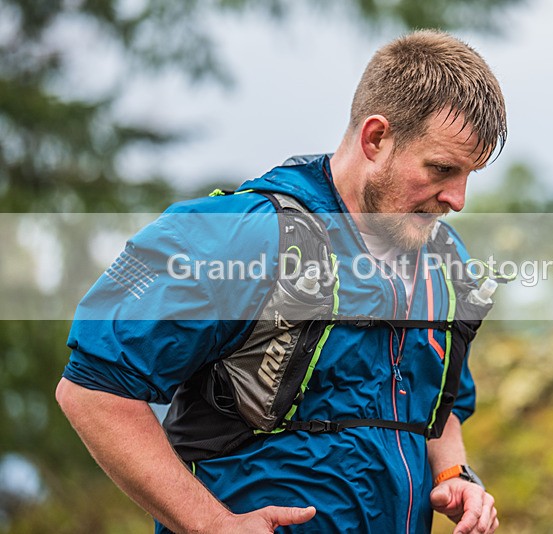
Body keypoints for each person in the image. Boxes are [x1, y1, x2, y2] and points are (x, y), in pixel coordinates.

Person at [56, 29, 507, 533]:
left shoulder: (443, 263)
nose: (458, 199)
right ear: (376, 138)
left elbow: (435, 405)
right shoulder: (240, 236)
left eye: (470, 174)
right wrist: (212, 525)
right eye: (442, 169)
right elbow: (93, 391)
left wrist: (455, 473)